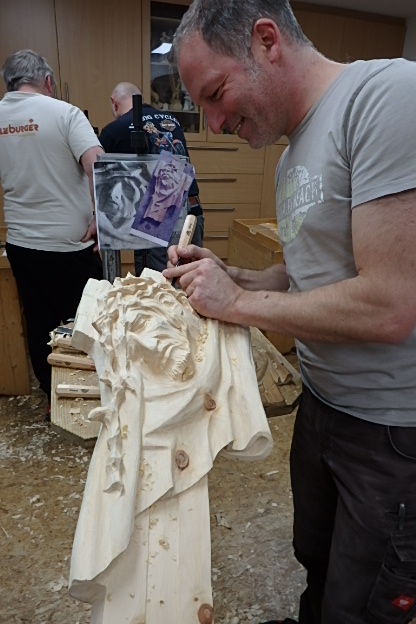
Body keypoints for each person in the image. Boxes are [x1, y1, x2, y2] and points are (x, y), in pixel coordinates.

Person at [162, 2, 416, 623]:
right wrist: (233, 276)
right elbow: (310, 276)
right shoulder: (292, 148)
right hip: (323, 403)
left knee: (362, 602)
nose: (215, 122)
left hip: (391, 431)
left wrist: (240, 304)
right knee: (318, 561)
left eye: (216, 94)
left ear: (266, 41)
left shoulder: (386, 98)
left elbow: (391, 304)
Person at [0, 49, 104, 416]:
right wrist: (101, 219)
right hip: (70, 246)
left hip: (21, 244)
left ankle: (53, 399)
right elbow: (98, 166)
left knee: (40, 322)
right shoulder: (65, 113)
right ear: (48, 81)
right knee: (89, 321)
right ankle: (94, 396)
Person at [99, 82, 204, 275]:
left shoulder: (113, 131)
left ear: (114, 103)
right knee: (191, 281)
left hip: (160, 211)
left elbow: (102, 184)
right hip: (192, 209)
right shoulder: (172, 119)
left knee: (157, 284)